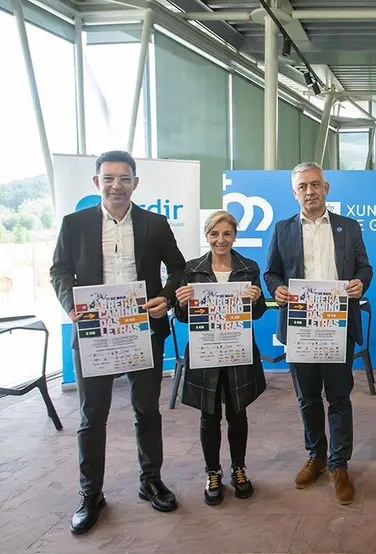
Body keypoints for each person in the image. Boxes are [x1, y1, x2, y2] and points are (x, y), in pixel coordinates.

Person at [50, 150, 185, 534]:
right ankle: (91, 493)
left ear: (135, 183)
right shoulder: (74, 224)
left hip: (143, 331)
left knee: (147, 410)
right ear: (97, 182)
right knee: (92, 415)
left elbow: (178, 267)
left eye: (124, 178)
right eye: (108, 178)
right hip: (94, 333)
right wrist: (71, 306)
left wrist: (166, 297)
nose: (116, 185)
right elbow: (59, 270)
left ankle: (151, 481)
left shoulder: (154, 224)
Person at [264, 162, 372, 505]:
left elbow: (365, 267)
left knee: (338, 398)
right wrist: (277, 289)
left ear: (326, 188)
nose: (309, 191)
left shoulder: (348, 227)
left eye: (315, 184)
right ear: (294, 192)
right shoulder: (282, 229)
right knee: (307, 398)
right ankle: (317, 456)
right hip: (300, 328)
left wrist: (361, 283)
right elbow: (271, 272)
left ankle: (339, 465)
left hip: (338, 327)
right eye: (302, 187)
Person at [174, 210, 267, 505]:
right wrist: (182, 303)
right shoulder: (191, 269)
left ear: (235, 235)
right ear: (207, 236)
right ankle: (212, 472)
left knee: (238, 413)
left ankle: (239, 468)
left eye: (227, 233)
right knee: (209, 415)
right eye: (214, 234)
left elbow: (258, 312)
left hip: (238, 350)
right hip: (206, 351)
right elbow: (183, 316)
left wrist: (256, 300)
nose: (221, 240)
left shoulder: (249, 267)